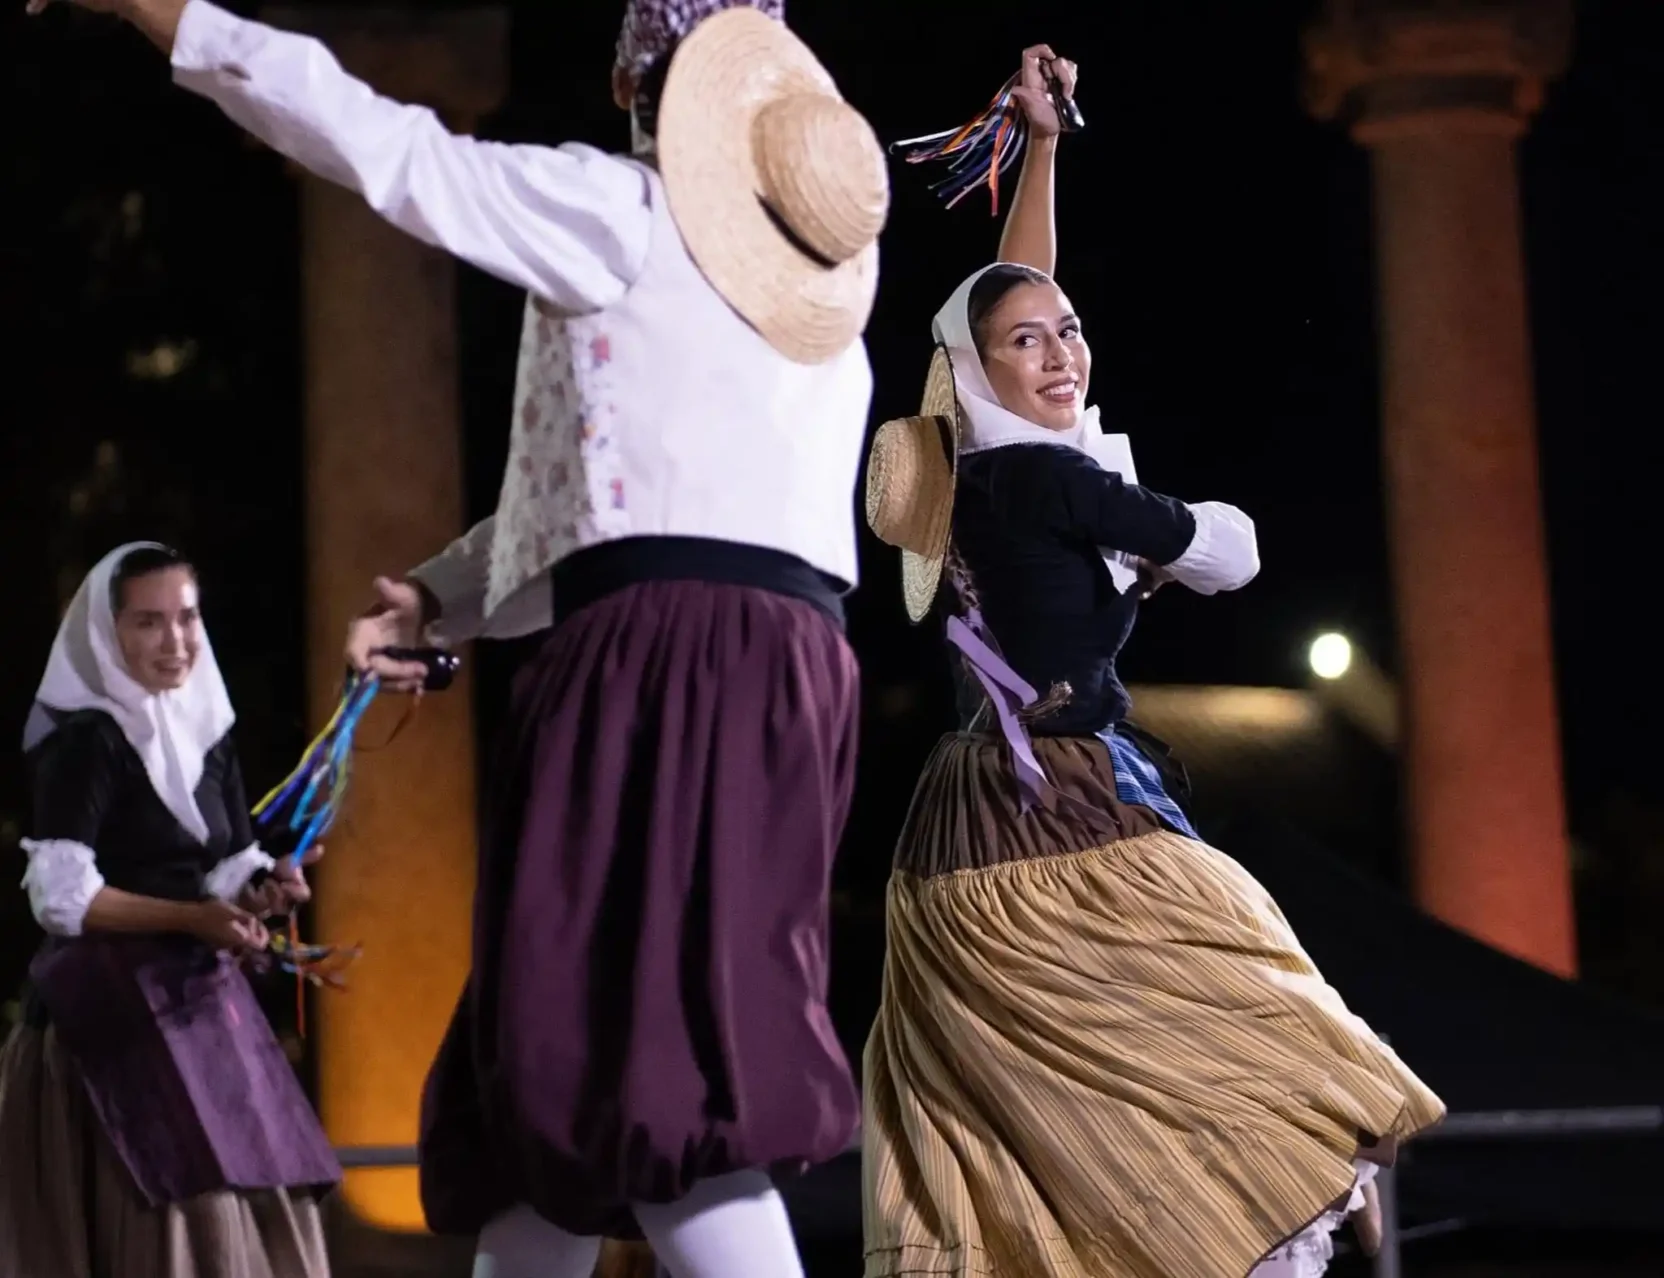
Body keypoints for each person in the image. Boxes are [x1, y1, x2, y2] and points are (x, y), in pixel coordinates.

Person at [30, 0, 890, 1274]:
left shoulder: (622, 213)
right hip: (776, 677)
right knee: (554, 1066)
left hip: (659, 671)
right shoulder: (816, 325)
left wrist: (163, 15)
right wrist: (438, 598)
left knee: (663, 1082)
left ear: (630, 85)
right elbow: (630, 508)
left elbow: (392, 151)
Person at [859, 46, 1445, 1278]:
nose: (1063, 350)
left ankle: (1270, 1191)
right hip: (1063, 807)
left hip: (974, 817)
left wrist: (1044, 147)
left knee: (1073, 1097)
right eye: (1033, 345)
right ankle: (1307, 1171)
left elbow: (1018, 291)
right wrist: (1190, 540)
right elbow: (1227, 555)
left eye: (1071, 332)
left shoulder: (981, 467)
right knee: (1247, 984)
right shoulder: (1046, 480)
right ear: (982, 376)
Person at [0, 542, 339, 1278]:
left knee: (254, 1216)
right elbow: (61, 899)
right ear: (106, 633)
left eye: (186, 618)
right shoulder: (86, 741)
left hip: (198, 1009)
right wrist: (191, 919)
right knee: (182, 1222)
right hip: (108, 1024)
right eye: (149, 623)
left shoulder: (204, 724)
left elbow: (221, 865)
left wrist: (264, 892)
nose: (176, 641)